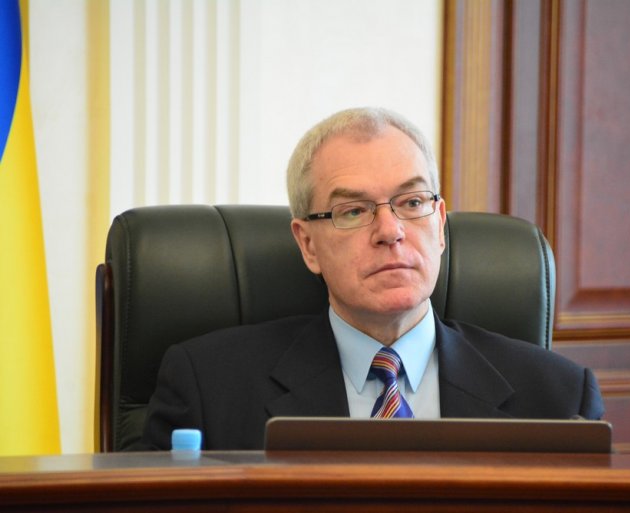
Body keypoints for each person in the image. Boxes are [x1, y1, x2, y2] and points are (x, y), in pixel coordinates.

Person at [140, 107, 604, 450]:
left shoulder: (559, 398)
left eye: (413, 202)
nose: (390, 231)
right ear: (308, 244)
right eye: (353, 211)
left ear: (440, 224)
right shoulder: (210, 387)